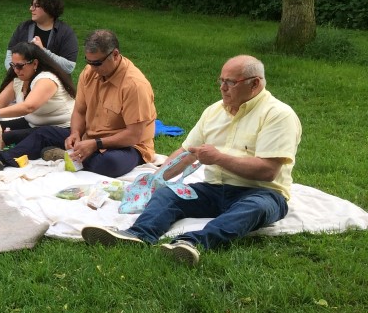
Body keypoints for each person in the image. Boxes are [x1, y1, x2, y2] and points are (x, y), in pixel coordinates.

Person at [82, 55, 302, 266]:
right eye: (221, 81)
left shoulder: (278, 115)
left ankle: (191, 243)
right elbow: (187, 152)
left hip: (261, 192)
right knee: (168, 194)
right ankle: (138, 235)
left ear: (255, 84)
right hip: (215, 189)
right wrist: (156, 178)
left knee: (253, 208)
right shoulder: (214, 111)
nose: (222, 87)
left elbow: (267, 171)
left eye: (230, 82)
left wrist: (218, 158)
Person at [28, 29, 156, 178]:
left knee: (109, 164)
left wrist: (96, 144)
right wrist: (75, 133)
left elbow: (134, 135)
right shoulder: (89, 72)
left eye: (97, 63)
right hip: (90, 139)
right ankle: (6, 158)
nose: (93, 68)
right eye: (89, 62)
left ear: (115, 55)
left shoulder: (135, 85)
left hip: (129, 146)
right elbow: (79, 111)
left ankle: (68, 155)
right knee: (43, 132)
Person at [5, 0, 78, 74]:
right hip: (23, 78)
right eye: (32, 5)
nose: (31, 9)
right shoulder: (23, 28)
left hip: (52, 80)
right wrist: (16, 73)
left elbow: (69, 67)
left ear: (49, 8)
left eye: (36, 6)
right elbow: (10, 55)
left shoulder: (65, 33)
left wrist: (43, 51)